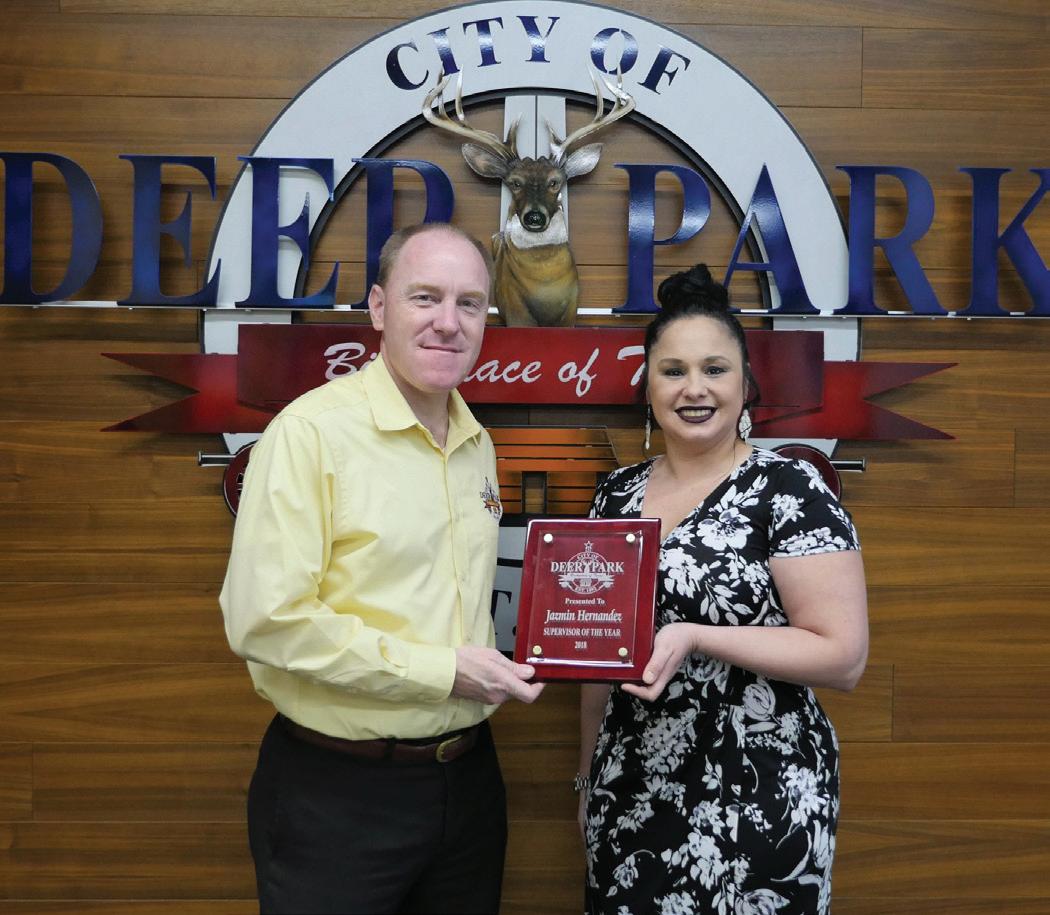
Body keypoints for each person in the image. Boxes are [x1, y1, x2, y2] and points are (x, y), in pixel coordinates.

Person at [220, 222, 544, 915]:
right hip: (337, 794)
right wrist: (442, 671)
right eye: (424, 297)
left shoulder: (476, 443)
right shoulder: (310, 434)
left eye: (469, 303)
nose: (448, 322)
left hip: (468, 782)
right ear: (377, 308)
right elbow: (266, 621)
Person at [578, 264, 868, 915]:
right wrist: (587, 774)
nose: (694, 388)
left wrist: (696, 635)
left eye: (715, 368)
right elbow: (599, 655)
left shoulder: (789, 488)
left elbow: (843, 656)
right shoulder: (616, 494)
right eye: (673, 370)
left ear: (745, 382)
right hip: (631, 792)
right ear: (648, 384)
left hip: (761, 798)